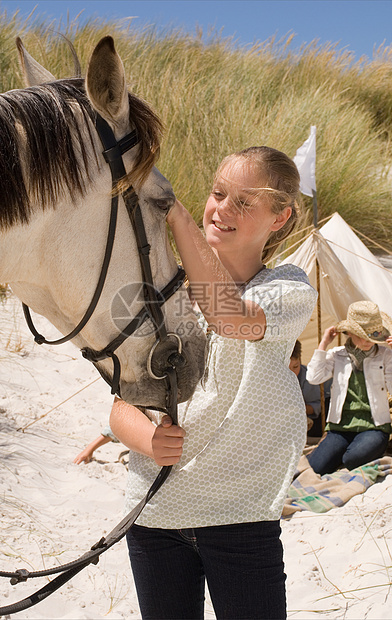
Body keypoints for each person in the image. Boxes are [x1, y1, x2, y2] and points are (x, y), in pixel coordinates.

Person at [110, 146, 317, 619]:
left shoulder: (288, 289)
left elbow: (229, 316)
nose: (221, 208)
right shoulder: (161, 295)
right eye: (218, 193)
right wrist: (149, 437)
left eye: (244, 203)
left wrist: (177, 216)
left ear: (279, 219)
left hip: (241, 519)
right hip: (154, 516)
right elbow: (121, 404)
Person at [306, 301, 392, 476]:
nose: (366, 341)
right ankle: (341, 452)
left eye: (371, 335)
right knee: (315, 467)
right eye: (361, 335)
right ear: (350, 333)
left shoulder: (385, 355)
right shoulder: (337, 354)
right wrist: (323, 343)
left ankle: (355, 451)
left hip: (374, 426)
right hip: (340, 427)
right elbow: (313, 378)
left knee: (351, 460)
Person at [289, 340, 322, 433]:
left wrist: (295, 409)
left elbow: (317, 406)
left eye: (295, 367)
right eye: (286, 368)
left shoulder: (308, 377)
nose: (292, 373)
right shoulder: (270, 378)